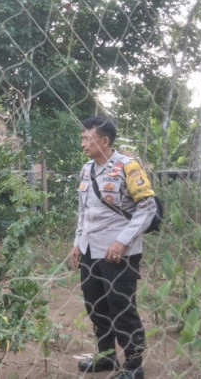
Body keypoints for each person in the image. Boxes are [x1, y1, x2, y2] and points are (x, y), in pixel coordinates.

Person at [68, 116, 158, 379]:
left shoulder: (128, 167)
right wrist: (76, 244)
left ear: (104, 141)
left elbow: (147, 208)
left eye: (87, 138)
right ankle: (106, 357)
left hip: (119, 253)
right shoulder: (87, 169)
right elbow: (83, 212)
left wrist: (121, 241)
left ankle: (133, 365)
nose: (83, 143)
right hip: (89, 251)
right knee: (95, 305)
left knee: (122, 307)